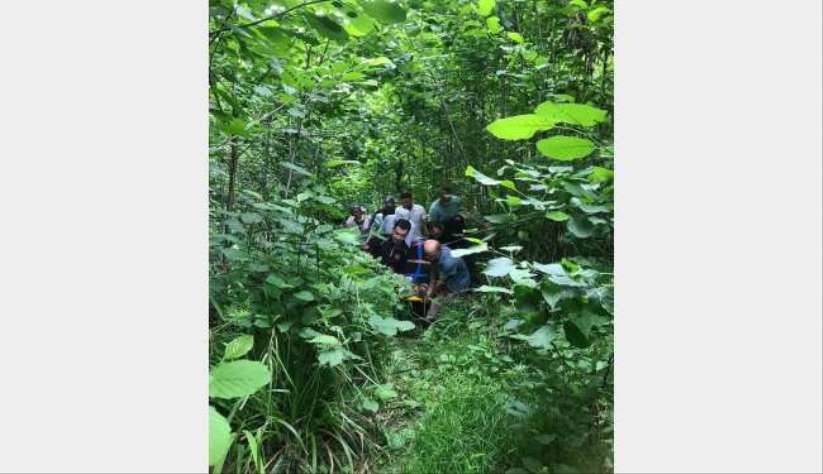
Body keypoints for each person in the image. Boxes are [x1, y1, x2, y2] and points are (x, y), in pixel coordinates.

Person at [421, 239, 470, 321]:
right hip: (447, 278)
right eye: (427, 255)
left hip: (459, 284)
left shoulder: (449, 262)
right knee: (435, 297)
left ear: (439, 250)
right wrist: (429, 291)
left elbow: (440, 281)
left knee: (439, 302)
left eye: (431, 256)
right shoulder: (435, 254)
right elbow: (433, 272)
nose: (428, 258)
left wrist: (430, 294)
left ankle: (432, 321)